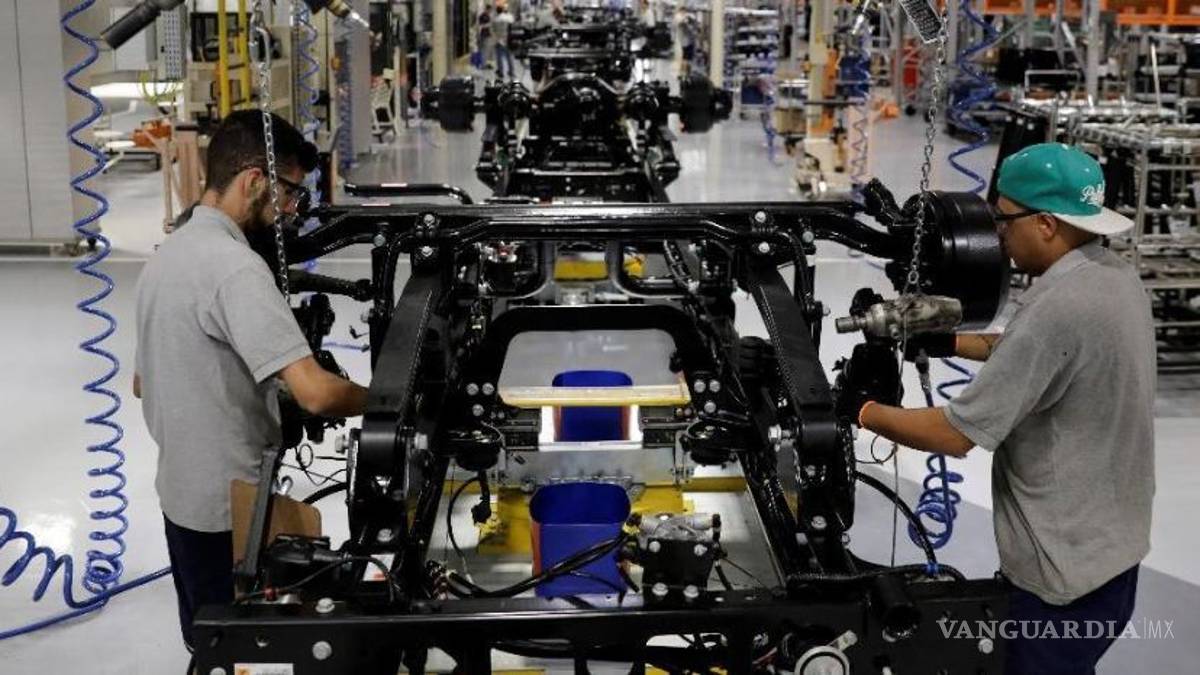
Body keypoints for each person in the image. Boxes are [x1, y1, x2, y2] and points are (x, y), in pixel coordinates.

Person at [851, 143, 1155, 674]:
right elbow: (1034, 351)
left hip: (1060, 582)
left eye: (1003, 219)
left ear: (1046, 225)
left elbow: (954, 435)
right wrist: (946, 342)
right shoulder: (1112, 277)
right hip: (1111, 555)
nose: (997, 234)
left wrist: (860, 410)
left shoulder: (1058, 307)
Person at [133, 110, 369, 652]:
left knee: (208, 644)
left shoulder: (167, 256)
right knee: (253, 654)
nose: (289, 209)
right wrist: (391, 399)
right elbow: (316, 393)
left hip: (181, 499)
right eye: (289, 191)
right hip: (232, 511)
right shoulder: (235, 268)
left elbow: (144, 383)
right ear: (254, 179)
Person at [492, 0, 516, 80]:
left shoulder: (495, 19)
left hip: (499, 40)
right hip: (508, 40)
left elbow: (493, 30)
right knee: (510, 56)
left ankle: (501, 72)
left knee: (499, 57)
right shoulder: (509, 18)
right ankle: (511, 72)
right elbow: (513, 26)